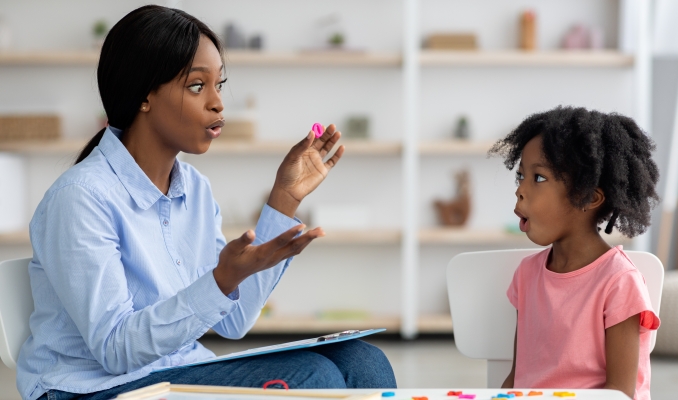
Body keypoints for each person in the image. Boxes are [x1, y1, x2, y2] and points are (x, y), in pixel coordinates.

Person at [17, 5, 396, 400]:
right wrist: (221, 280)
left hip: (174, 370)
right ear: (144, 95)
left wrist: (284, 199)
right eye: (197, 86)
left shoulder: (194, 189)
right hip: (92, 389)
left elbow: (235, 321)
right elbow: (116, 350)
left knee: (363, 361)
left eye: (219, 84)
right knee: (313, 378)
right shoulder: (80, 199)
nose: (218, 103)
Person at [489, 106, 661, 400]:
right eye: (521, 177)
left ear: (588, 198)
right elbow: (519, 377)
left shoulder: (620, 282)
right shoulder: (527, 275)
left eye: (538, 178)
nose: (520, 190)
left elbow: (620, 393)